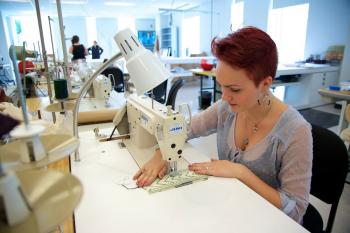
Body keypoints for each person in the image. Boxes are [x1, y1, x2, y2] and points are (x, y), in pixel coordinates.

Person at [133, 26, 313, 224]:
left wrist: (241, 172)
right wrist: (162, 152)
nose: (225, 97)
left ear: (265, 84)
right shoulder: (226, 109)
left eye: (234, 89)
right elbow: (185, 128)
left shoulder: (296, 131)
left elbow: (296, 211)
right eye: (221, 86)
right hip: (232, 212)